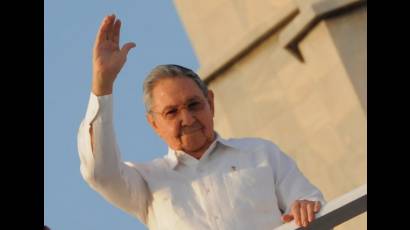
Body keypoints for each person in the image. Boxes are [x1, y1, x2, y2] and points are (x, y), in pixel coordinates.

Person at [77, 14, 325, 230]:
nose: (187, 118)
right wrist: (102, 83)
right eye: (171, 112)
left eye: (194, 105)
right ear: (153, 124)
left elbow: (311, 203)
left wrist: (306, 208)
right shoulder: (146, 182)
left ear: (211, 104)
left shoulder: (260, 153)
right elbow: (99, 172)